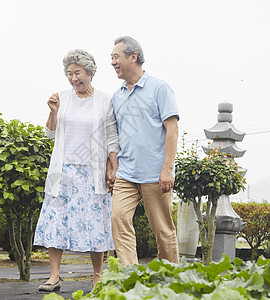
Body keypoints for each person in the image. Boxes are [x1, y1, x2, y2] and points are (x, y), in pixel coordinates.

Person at [33, 49, 119, 292]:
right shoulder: (62, 97)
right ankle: (54, 276)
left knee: (95, 222)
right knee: (55, 220)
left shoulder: (105, 99)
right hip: (61, 170)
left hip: (91, 172)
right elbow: (50, 132)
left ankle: (97, 276)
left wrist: (113, 167)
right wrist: (53, 111)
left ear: (89, 73)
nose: (73, 78)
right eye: (69, 73)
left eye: (77, 73)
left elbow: (112, 137)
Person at [107, 36, 180, 266]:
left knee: (163, 231)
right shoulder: (117, 96)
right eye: (111, 58)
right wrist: (112, 168)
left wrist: (167, 169)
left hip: (155, 173)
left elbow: (172, 129)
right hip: (126, 173)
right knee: (118, 220)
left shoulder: (159, 88)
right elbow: (115, 136)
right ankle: (131, 276)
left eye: (116, 57)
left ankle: (170, 280)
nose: (112, 62)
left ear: (133, 56)